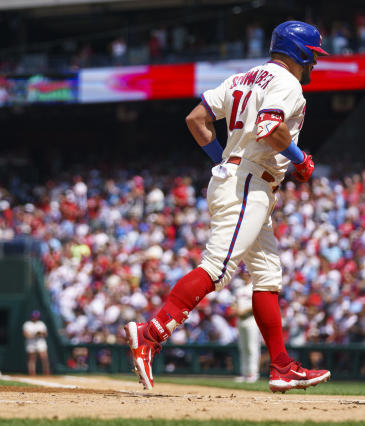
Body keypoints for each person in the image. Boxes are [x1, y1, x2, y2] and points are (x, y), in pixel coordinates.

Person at [124, 20, 330, 393]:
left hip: (240, 177)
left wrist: (225, 161)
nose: (313, 64)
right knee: (218, 268)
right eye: (312, 56)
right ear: (299, 52)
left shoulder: (242, 78)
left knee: (267, 275)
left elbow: (196, 120)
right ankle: (150, 334)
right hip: (250, 181)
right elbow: (270, 129)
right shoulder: (287, 83)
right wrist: (300, 159)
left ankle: (281, 367)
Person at [230, 270, 260, 383]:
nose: (245, 275)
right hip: (240, 320)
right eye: (244, 273)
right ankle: (244, 373)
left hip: (251, 319)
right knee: (242, 347)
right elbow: (233, 302)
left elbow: (257, 304)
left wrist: (243, 311)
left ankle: (253, 373)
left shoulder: (254, 287)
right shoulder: (239, 288)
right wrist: (236, 310)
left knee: (252, 347)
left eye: (247, 273)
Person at [23, 310, 50, 376]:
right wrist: (35, 334)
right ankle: (32, 373)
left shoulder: (41, 323)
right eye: (34, 316)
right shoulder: (27, 324)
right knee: (32, 358)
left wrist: (41, 333)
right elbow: (26, 335)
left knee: (44, 357)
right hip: (31, 344)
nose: (35, 318)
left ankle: (46, 373)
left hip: (40, 343)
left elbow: (46, 334)